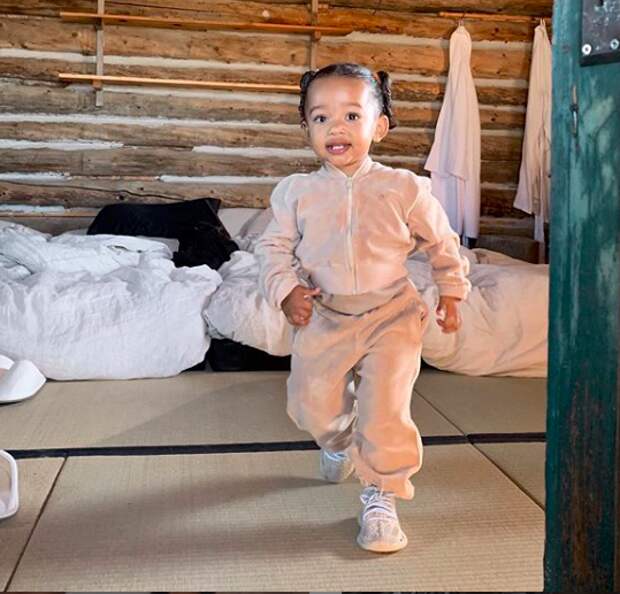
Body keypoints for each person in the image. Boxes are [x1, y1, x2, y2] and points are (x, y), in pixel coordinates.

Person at [255, 63, 471, 553]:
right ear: (306, 128)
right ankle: (338, 443)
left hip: (392, 315)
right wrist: (286, 291)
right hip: (325, 314)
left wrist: (451, 291)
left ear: (380, 126)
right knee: (309, 406)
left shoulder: (405, 188)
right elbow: (272, 250)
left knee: (386, 411)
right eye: (321, 117)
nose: (336, 128)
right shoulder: (296, 193)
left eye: (352, 115)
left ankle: (381, 495)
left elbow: (442, 242)